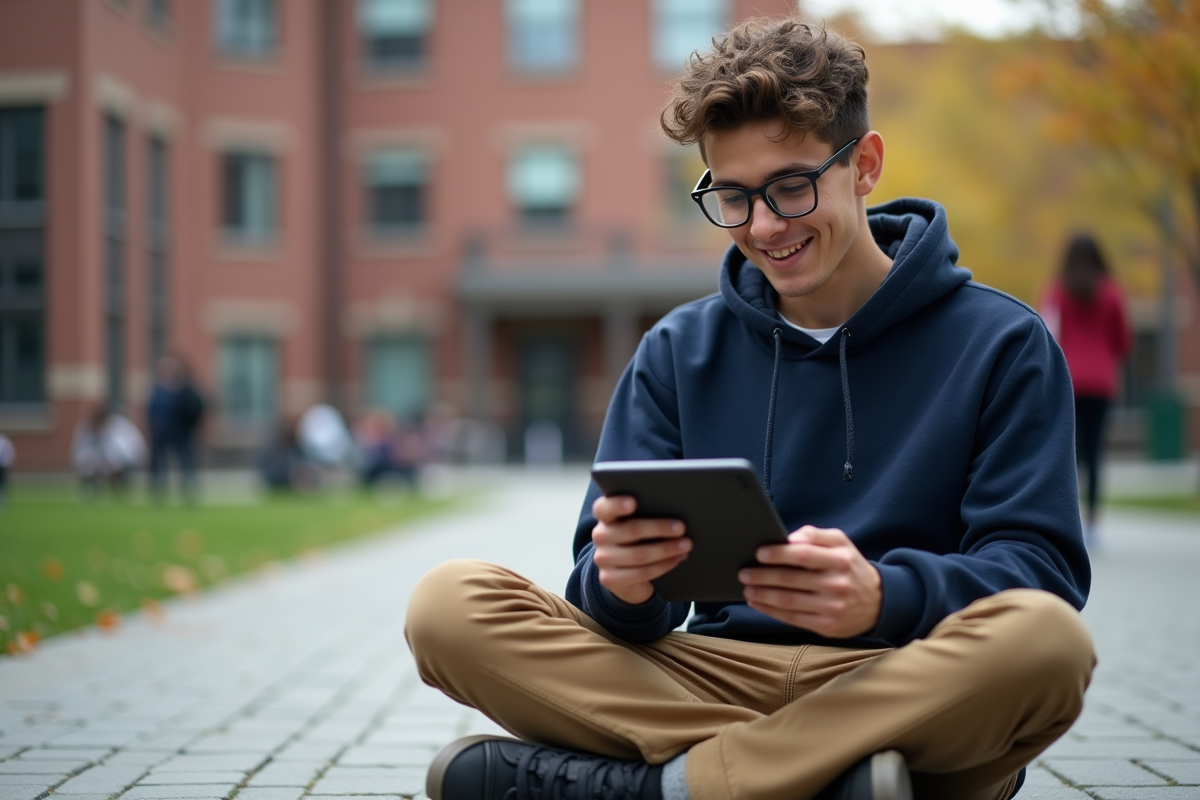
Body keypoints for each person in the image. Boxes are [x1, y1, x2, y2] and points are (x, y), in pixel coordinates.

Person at [406, 16, 1093, 800]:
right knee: (448, 607)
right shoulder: (676, 350)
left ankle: (656, 789)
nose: (765, 227)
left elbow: (1038, 573)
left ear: (864, 165)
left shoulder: (1003, 341)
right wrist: (621, 586)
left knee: (1046, 646)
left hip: (902, 670)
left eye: (792, 186)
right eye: (733, 197)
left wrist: (882, 595)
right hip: (710, 675)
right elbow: (600, 592)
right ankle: (840, 783)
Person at [1040, 233, 1132, 546]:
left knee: (1068, 452)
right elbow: (1123, 341)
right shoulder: (1112, 293)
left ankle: (1069, 520)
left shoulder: (1056, 292)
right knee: (1094, 454)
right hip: (1102, 383)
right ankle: (1093, 523)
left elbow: (1046, 336)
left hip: (1068, 380)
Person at [146, 355, 206, 504]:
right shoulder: (158, 391)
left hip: (182, 433)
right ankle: (158, 496)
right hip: (161, 434)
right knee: (160, 464)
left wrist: (190, 425)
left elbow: (197, 408)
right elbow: (151, 412)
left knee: (186, 464)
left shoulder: (185, 390)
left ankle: (189, 495)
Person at [72, 405, 147, 500]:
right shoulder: (86, 428)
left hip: (129, 459)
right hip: (103, 461)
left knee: (114, 470)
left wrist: (113, 464)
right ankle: (92, 493)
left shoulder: (117, 427)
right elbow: (80, 451)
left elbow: (124, 451)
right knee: (91, 469)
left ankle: (119, 491)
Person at [0, 433, 13, 511]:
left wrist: (6, 463)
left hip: (2, 466)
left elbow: (9, 453)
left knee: (2, 483)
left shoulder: (4, 441)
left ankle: (3, 501)